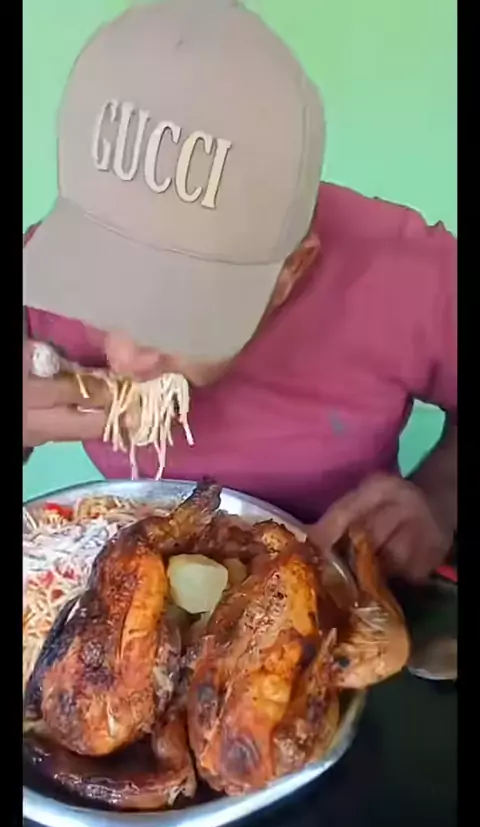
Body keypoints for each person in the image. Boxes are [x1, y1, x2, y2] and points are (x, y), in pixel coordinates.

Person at [23, 0, 456, 584]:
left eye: (181, 310)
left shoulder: (407, 275)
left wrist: (440, 497)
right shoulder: (42, 268)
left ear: (291, 272)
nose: (124, 355)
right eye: (101, 281)